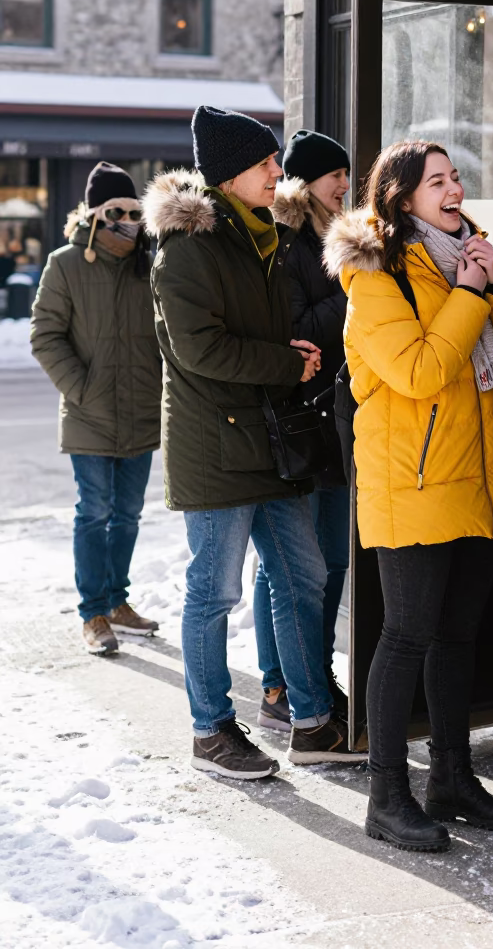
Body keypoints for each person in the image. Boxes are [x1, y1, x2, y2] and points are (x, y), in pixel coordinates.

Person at [142, 105, 363, 779]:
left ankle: (313, 723)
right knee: (214, 593)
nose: (277, 173)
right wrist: (285, 362)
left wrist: (288, 350)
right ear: (232, 172)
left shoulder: (260, 235)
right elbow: (201, 349)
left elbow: (263, 331)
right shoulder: (189, 249)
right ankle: (210, 731)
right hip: (216, 448)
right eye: (266, 163)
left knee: (304, 578)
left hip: (270, 443)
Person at [324, 139, 493, 852]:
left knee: (457, 636)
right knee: (405, 634)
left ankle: (451, 777)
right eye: (436, 179)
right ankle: (385, 796)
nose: (455, 188)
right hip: (409, 481)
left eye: (457, 176)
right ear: (401, 197)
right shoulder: (376, 277)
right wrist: (471, 294)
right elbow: (420, 370)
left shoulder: (463, 260)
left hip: (475, 475)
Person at [31, 161, 161, 655]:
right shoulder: (65, 263)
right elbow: (45, 335)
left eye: (133, 209)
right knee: (94, 512)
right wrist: (81, 389)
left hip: (142, 413)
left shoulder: (148, 264)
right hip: (89, 414)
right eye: (115, 209)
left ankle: (117, 601)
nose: (126, 218)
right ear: (94, 213)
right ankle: (93, 613)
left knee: (127, 515)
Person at [255, 130, 352, 732]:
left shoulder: (339, 237)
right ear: (306, 181)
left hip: (341, 418)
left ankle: (314, 674)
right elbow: (292, 329)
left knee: (334, 560)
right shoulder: (286, 242)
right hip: (301, 419)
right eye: (333, 175)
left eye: (346, 173)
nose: (344, 184)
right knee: (293, 566)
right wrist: (350, 290)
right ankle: (276, 685)